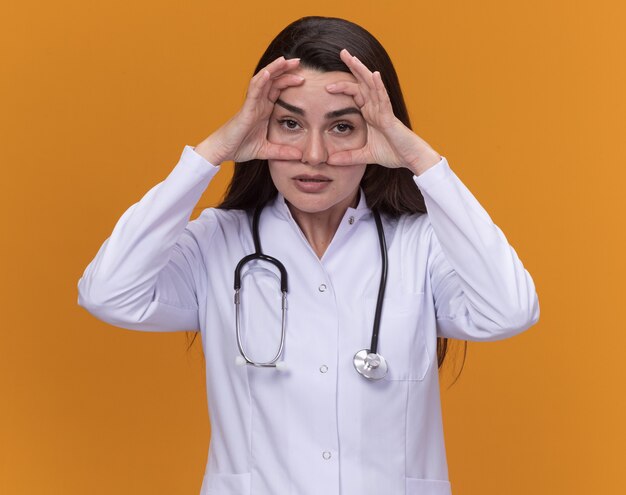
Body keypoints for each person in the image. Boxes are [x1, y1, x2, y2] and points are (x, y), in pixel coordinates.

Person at [77, 16, 539, 495]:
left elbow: (508, 310)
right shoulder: (219, 243)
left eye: (342, 126)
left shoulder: (419, 245)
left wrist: (421, 160)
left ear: (378, 133)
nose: (313, 154)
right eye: (290, 123)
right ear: (260, 126)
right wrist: (214, 151)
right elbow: (108, 293)